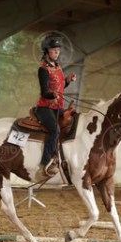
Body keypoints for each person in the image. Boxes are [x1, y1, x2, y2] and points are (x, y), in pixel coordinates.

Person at [35, 35, 76, 180]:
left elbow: (60, 87)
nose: (57, 52)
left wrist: (67, 81)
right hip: (45, 108)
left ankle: (64, 157)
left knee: (73, 121)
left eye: (58, 50)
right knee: (55, 129)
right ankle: (44, 164)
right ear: (47, 51)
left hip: (58, 107)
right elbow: (44, 92)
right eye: (54, 50)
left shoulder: (58, 67)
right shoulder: (43, 69)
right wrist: (53, 95)